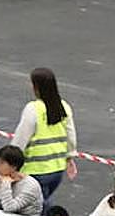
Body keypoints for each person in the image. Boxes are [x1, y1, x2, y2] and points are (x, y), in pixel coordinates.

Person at [10, 68, 78, 204]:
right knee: (42, 202)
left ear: (37, 86)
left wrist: (10, 162)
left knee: (34, 210)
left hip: (34, 170)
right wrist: (70, 157)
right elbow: (71, 136)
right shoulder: (64, 106)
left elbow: (21, 139)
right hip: (57, 170)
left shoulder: (33, 109)